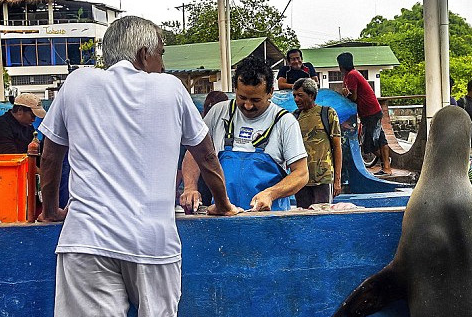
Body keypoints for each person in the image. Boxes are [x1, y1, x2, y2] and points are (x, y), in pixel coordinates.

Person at [37, 16, 240, 316]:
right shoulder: (170, 88)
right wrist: (223, 204)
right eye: (161, 54)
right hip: (154, 244)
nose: (162, 64)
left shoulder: (77, 82)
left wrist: (50, 210)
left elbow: (50, 157)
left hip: (87, 240)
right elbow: (206, 155)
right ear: (144, 54)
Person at [181, 56, 309, 212]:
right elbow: (195, 153)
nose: (248, 106)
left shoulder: (285, 121)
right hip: (224, 217)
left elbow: (301, 174)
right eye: (242, 98)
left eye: (255, 100)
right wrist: (190, 187)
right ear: (235, 89)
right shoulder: (219, 112)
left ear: (270, 92)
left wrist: (270, 194)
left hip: (268, 220)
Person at [337, 52, 392, 176]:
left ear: (341, 65)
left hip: (370, 112)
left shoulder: (352, 75)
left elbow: (354, 97)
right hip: (370, 112)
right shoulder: (349, 76)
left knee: (370, 143)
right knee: (379, 139)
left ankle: (386, 164)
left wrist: (345, 94)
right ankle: (386, 166)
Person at [292, 78, 342, 208]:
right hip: (301, 180)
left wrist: (337, 180)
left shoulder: (327, 113)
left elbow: (337, 147)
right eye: (294, 96)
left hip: (323, 179)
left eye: (300, 95)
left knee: (323, 218)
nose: (296, 99)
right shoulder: (294, 117)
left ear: (311, 95)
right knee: (302, 219)